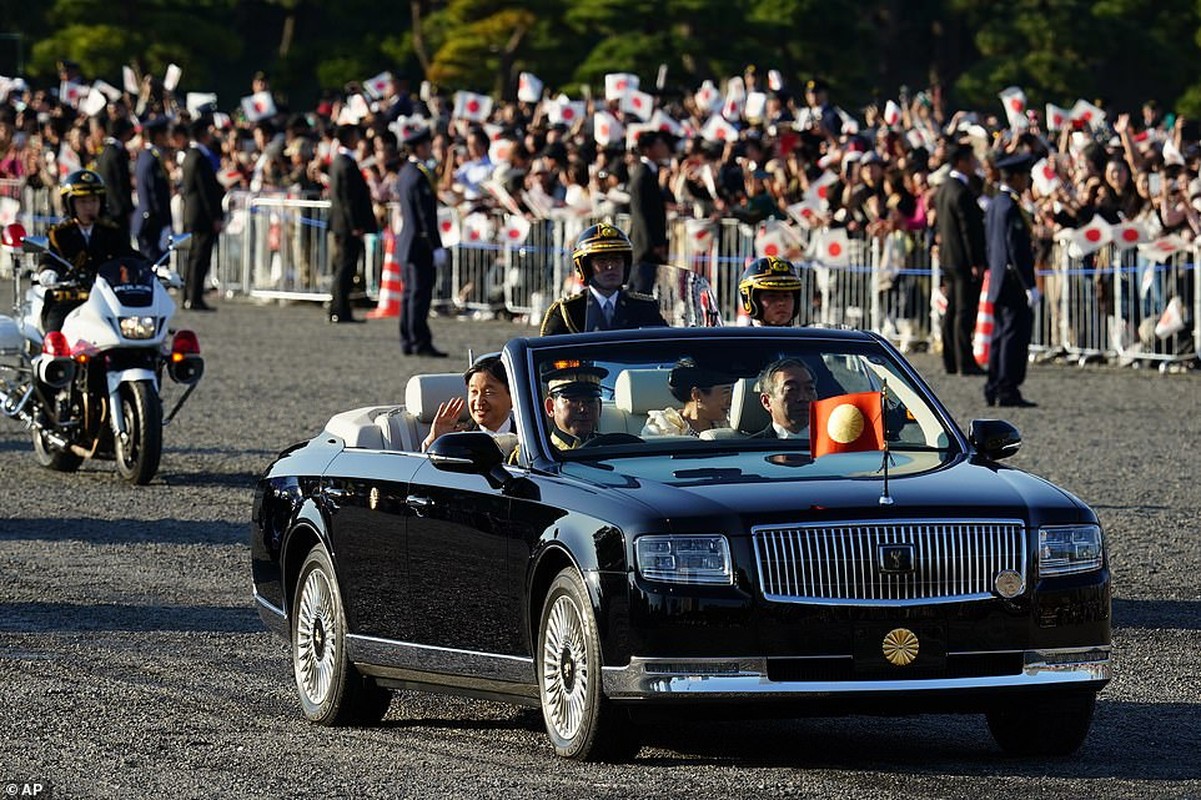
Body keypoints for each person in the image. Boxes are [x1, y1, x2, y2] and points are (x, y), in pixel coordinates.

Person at [38, 169, 140, 332]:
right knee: (56, 340)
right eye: (82, 202)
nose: (89, 207)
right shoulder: (58, 234)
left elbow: (130, 256)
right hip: (68, 301)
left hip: (107, 300)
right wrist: (47, 272)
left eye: (93, 201)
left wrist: (156, 268)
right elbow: (49, 259)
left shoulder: (111, 232)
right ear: (70, 204)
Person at [539, 223, 668, 335]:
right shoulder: (566, 311)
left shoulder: (645, 307)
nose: (611, 266)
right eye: (602, 261)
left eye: (617, 260)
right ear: (586, 268)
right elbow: (546, 360)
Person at [984, 152, 1038, 408]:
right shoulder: (1010, 206)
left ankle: (994, 384)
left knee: (999, 335)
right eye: (1025, 175)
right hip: (1012, 280)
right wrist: (1029, 284)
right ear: (1015, 177)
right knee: (1012, 337)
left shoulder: (996, 203)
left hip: (999, 278)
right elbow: (1017, 249)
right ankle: (1007, 388)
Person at [395, 123, 449, 357]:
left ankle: (408, 338)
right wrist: (436, 246)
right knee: (419, 294)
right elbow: (426, 215)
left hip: (408, 242)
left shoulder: (406, 172)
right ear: (421, 146)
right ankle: (419, 340)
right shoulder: (418, 175)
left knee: (410, 295)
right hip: (420, 244)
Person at [934, 143, 987, 375]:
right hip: (963, 260)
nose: (975, 163)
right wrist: (976, 260)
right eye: (971, 158)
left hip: (948, 258)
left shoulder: (945, 188)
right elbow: (969, 230)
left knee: (953, 310)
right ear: (961, 162)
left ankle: (950, 360)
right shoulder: (961, 191)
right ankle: (964, 361)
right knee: (964, 312)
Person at [326, 124, 377, 324]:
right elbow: (348, 199)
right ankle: (340, 310)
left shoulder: (339, 161)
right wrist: (355, 224)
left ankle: (337, 308)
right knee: (345, 269)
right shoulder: (345, 163)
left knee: (343, 268)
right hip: (348, 226)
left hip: (341, 224)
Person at [421, 355, 514, 451]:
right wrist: (434, 442)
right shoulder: (458, 439)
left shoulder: (526, 435)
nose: (478, 401)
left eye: (488, 393)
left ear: (512, 397)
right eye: (474, 392)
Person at [179, 116, 225, 311]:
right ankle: (194, 297)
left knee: (193, 258)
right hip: (202, 216)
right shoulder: (199, 157)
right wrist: (215, 215)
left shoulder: (191, 155)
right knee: (200, 257)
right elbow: (206, 191)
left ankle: (188, 296)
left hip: (193, 213)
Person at [627, 130, 672, 294]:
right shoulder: (642, 175)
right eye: (659, 144)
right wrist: (653, 243)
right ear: (648, 149)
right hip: (645, 248)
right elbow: (641, 213)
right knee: (640, 291)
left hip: (650, 246)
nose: (664, 147)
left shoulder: (651, 173)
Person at [641, 357, 733, 437]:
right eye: (726, 392)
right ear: (696, 395)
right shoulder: (660, 429)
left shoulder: (730, 428)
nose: (731, 400)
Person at [542, 361, 607, 450]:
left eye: (590, 401)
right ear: (551, 407)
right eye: (573, 400)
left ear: (600, 408)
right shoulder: (541, 453)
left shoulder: (615, 447)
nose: (583, 409)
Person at [132, 116, 172, 262]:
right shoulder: (151, 159)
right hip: (152, 222)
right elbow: (154, 194)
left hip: (151, 220)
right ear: (159, 136)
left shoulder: (149, 157)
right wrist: (163, 221)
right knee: (153, 264)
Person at [751, 357, 818, 438]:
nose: (803, 398)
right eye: (791, 390)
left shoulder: (833, 443)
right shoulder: (749, 448)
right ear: (766, 401)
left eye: (810, 388)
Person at [92, 116, 135, 242]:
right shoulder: (118, 153)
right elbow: (122, 184)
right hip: (118, 211)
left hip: (106, 209)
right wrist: (128, 208)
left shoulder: (103, 152)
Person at [737, 256, 803, 326]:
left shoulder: (809, 335)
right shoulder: (740, 336)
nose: (781, 302)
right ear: (752, 302)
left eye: (786, 296)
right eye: (772, 296)